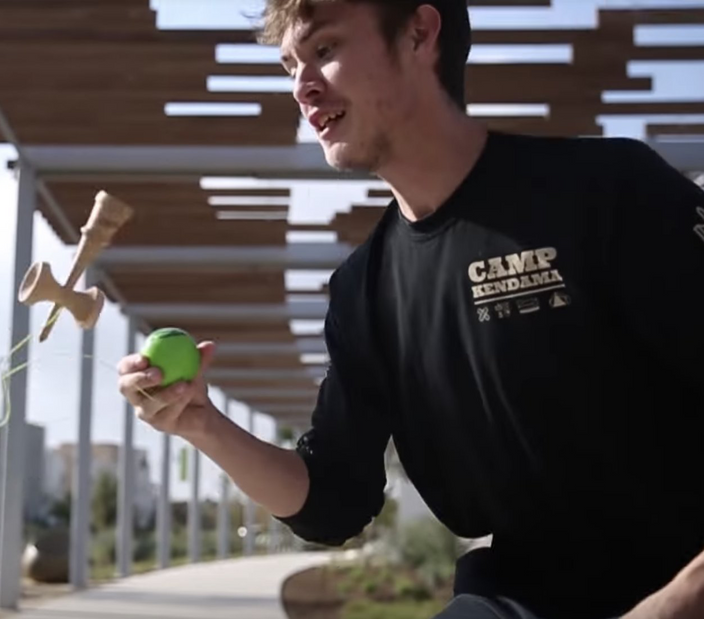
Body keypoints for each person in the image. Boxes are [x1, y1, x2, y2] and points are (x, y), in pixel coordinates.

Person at [117, 1, 704, 618]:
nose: (301, 87)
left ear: (420, 34)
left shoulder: (607, 191)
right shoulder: (364, 290)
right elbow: (333, 499)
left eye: (324, 50)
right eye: (290, 66)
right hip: (517, 597)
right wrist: (201, 424)